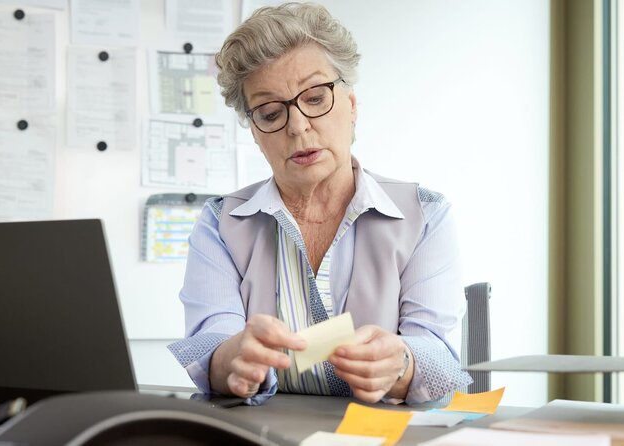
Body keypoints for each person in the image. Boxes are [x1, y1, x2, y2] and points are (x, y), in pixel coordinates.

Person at [168, 2, 472, 405]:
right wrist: (232, 360)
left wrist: (402, 362)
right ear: (255, 133)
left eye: (314, 99)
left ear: (352, 104)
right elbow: (211, 343)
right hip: (260, 431)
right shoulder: (221, 223)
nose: (297, 127)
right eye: (270, 113)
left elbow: (439, 356)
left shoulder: (425, 215)